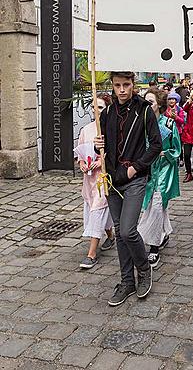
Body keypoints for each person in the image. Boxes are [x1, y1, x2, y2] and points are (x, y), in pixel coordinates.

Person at [94, 71, 162, 307]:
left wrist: (136, 167)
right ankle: (126, 281)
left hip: (135, 178)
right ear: (112, 86)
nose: (122, 89)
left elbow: (156, 145)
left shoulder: (144, 110)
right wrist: (97, 146)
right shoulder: (109, 112)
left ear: (133, 85)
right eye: (117, 85)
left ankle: (144, 269)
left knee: (127, 231)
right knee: (120, 232)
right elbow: (102, 148)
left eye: (126, 84)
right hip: (112, 179)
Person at [138, 89, 181, 268]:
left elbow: (177, 149)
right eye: (145, 102)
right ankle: (163, 234)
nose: (148, 105)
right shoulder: (141, 125)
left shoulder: (169, 124)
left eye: (151, 102)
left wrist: (166, 154)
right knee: (155, 206)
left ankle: (153, 247)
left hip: (163, 171)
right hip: (146, 171)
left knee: (156, 206)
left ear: (159, 104)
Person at [75, 94, 114, 270]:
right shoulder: (86, 129)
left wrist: (101, 161)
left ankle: (91, 254)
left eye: (99, 107)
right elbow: (80, 153)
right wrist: (83, 163)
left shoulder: (111, 128)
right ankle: (110, 236)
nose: (95, 110)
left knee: (97, 211)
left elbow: (114, 153)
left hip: (103, 178)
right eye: (93, 107)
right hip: (88, 178)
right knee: (92, 208)